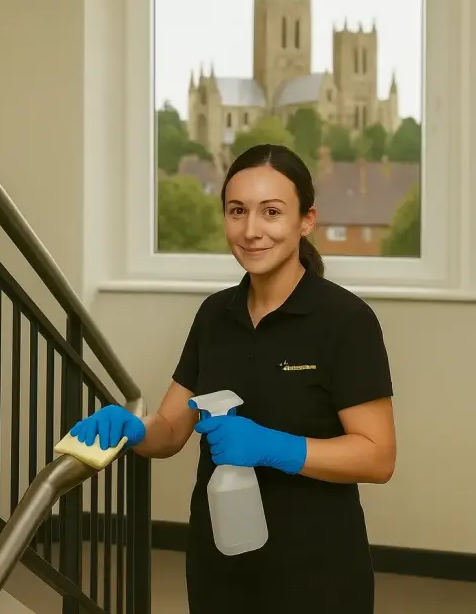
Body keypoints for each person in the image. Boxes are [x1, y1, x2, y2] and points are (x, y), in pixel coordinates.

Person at [70, 144, 396, 614]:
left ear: (307, 220)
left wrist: (272, 446)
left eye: (272, 212)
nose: (251, 230)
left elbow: (377, 456)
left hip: (315, 570)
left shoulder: (345, 321)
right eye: (237, 211)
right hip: (220, 560)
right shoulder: (214, 316)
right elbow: (171, 430)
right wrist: (134, 428)